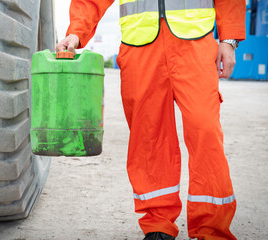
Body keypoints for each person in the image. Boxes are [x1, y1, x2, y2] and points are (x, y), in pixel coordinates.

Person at [56, 1, 246, 239]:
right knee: (149, 138)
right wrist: (76, 32)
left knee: (205, 129)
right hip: (140, 48)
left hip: (195, 45)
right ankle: (158, 224)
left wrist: (229, 40)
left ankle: (212, 227)